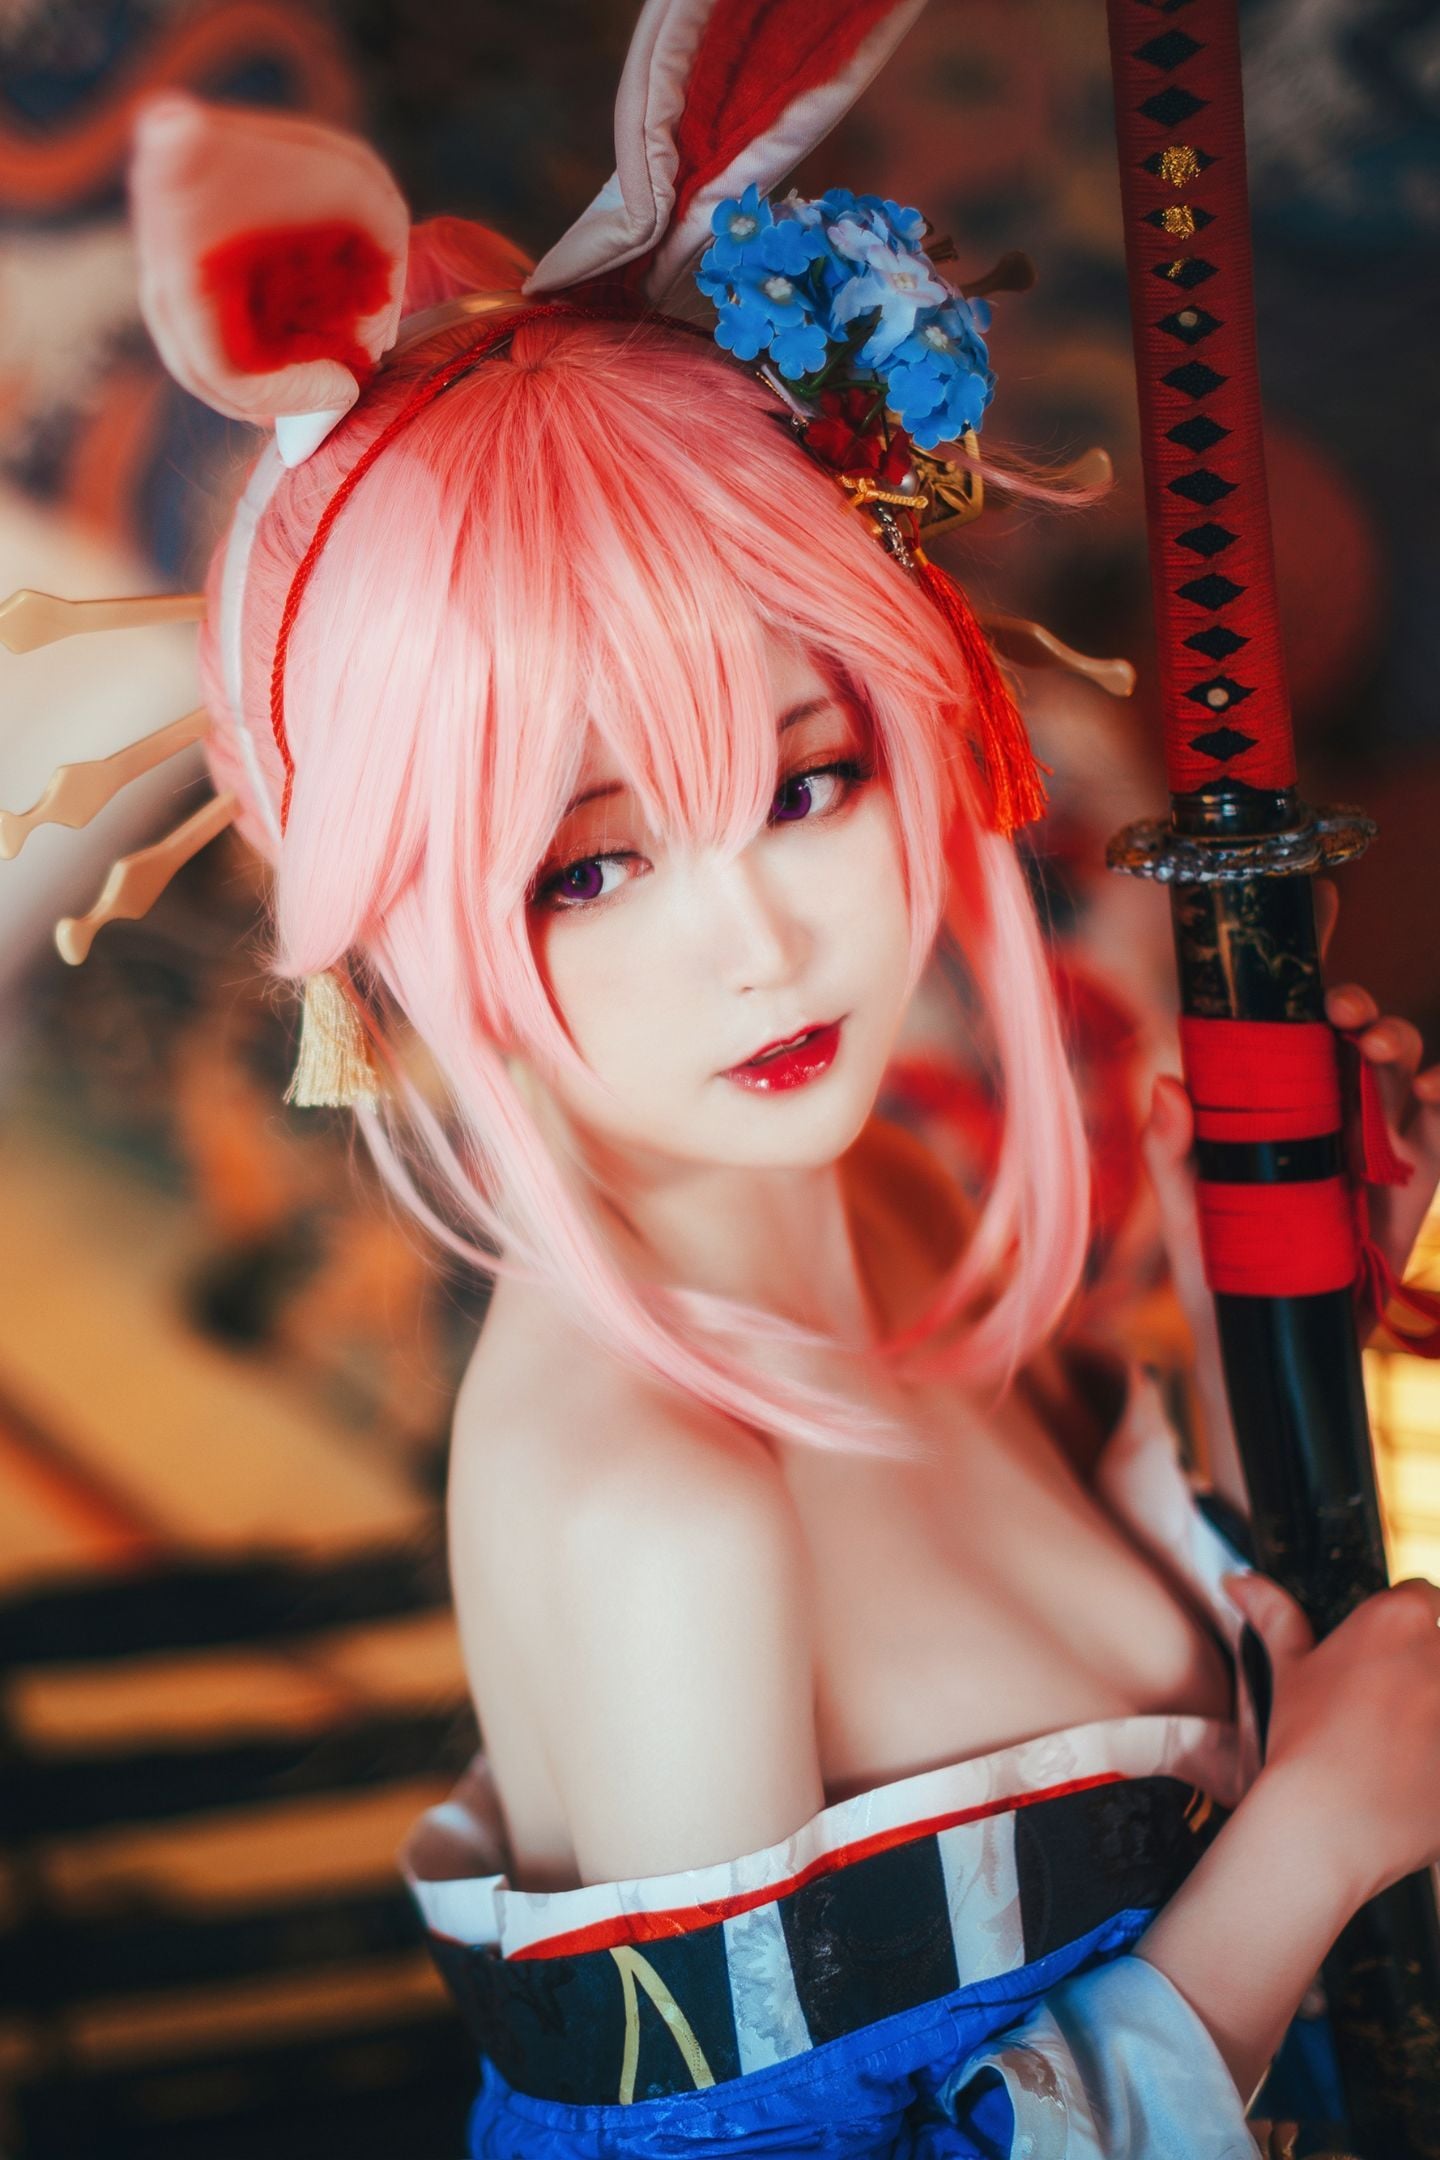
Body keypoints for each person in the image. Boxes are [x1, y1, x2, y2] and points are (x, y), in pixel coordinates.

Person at [13, 2, 1440, 2150]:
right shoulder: (652, 1513)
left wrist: (1266, 1290)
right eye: (589, 869)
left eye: (804, 784)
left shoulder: (889, 1213)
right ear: (399, 914)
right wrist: (1310, 1858)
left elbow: (1213, 1675)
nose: (755, 940)